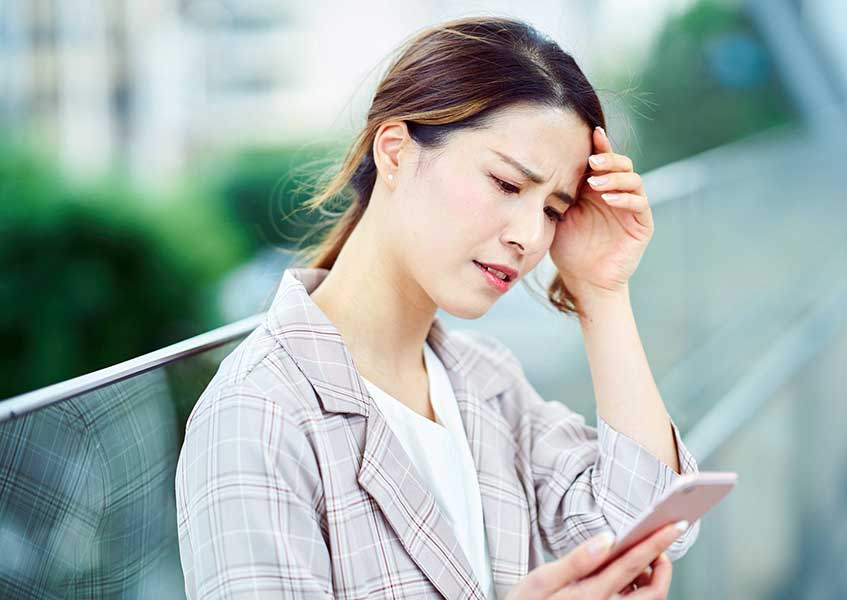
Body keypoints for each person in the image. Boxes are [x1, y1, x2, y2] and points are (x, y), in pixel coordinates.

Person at [175, 15, 701, 600]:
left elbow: (651, 528)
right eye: (506, 184)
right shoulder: (260, 413)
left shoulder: (484, 382)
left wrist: (602, 291)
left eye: (554, 209)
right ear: (395, 152)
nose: (529, 235)